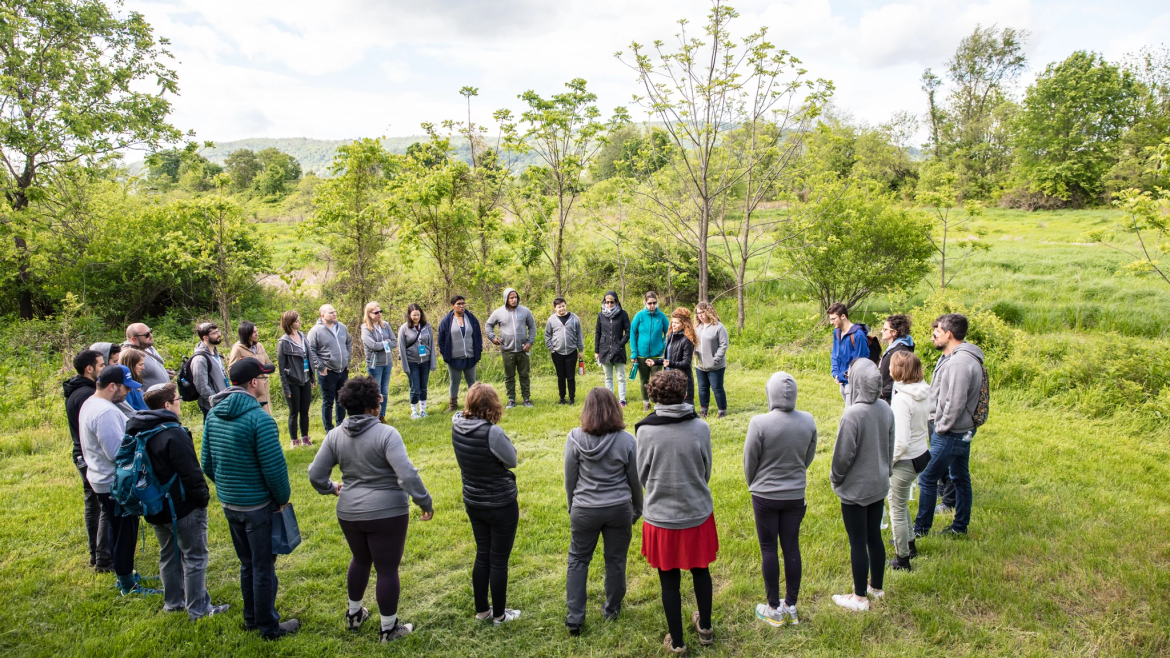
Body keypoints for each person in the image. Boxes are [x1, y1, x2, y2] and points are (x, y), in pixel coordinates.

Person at [309, 377, 434, 643]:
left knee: (361, 559)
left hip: (349, 513)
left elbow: (315, 475)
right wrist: (425, 502)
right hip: (387, 513)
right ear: (371, 406)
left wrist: (332, 488)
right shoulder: (387, 434)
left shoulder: (334, 436)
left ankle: (354, 615)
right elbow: (407, 476)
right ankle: (389, 630)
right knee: (387, 569)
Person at [200, 357, 300, 640]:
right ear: (253, 382)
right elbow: (275, 470)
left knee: (248, 564)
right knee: (264, 567)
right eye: (264, 378)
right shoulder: (260, 419)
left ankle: (251, 618)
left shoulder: (213, 414)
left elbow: (207, 462)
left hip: (230, 504)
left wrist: (228, 488)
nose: (265, 382)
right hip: (257, 506)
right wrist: (282, 499)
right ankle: (268, 627)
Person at [636, 369, 717, 653]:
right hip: (696, 511)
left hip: (661, 516)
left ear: (653, 395)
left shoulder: (645, 431)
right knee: (701, 571)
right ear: (684, 394)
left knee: (668, 580)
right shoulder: (700, 427)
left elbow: (642, 475)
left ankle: (678, 643)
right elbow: (705, 470)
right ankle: (705, 627)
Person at [136, 383, 229, 620]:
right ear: (167, 405)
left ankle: (173, 603)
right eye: (177, 399)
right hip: (183, 507)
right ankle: (199, 609)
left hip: (155, 506)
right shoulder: (174, 433)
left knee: (168, 555)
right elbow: (191, 472)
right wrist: (202, 499)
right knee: (195, 557)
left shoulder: (139, 430)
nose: (180, 403)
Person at [563, 387, 642, 635]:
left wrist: (571, 505)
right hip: (618, 508)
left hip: (584, 509)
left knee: (578, 560)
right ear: (614, 409)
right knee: (615, 560)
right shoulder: (628, 440)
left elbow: (570, 479)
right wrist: (637, 509)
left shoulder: (574, 437)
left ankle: (575, 618)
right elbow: (635, 481)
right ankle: (612, 610)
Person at [743, 372, 816, 627]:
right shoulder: (808, 421)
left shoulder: (759, 423)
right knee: (791, 547)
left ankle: (773, 608)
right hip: (795, 494)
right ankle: (791, 606)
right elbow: (808, 457)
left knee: (768, 549)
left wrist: (755, 483)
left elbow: (749, 461)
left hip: (764, 495)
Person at [451, 383, 521, 625]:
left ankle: (482, 611)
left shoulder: (456, 426)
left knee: (483, 554)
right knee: (498, 560)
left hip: (473, 500)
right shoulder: (492, 432)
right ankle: (500, 615)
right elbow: (512, 460)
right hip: (500, 503)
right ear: (492, 405)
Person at [79, 365, 153, 595]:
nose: (127, 393)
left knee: (117, 527)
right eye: (125, 388)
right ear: (112, 386)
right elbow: (116, 452)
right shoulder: (106, 412)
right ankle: (127, 584)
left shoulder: (92, 403)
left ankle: (126, 573)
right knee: (124, 532)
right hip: (114, 482)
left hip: (103, 479)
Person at [829, 359, 894, 612]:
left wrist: (836, 478)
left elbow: (842, 456)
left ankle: (859, 599)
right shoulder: (885, 408)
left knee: (857, 540)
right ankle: (876, 588)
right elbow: (890, 444)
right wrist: (885, 472)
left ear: (855, 381)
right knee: (874, 536)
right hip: (878, 484)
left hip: (855, 489)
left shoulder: (852, 414)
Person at [913, 313, 984, 538]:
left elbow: (955, 402)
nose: (934, 335)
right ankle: (959, 527)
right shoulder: (955, 357)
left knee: (927, 477)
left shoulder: (960, 362)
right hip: (960, 431)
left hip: (952, 432)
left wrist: (942, 427)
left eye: (938, 332)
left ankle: (920, 530)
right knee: (960, 477)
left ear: (949, 334)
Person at [64, 349, 112, 572]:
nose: (103, 369)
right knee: (102, 507)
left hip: (81, 453)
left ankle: (96, 553)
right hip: (87, 454)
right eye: (101, 365)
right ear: (89, 369)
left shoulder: (78, 390)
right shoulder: (85, 395)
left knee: (93, 504)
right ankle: (103, 556)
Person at [887, 352, 930, 571]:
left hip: (905, 458)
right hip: (921, 453)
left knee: (895, 508)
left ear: (898, 371)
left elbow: (901, 442)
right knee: (901, 503)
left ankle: (902, 559)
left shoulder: (903, 399)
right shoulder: (923, 389)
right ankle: (910, 543)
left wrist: (888, 463)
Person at [486, 287, 537, 409]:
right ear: (506, 299)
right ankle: (511, 399)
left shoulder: (525, 311)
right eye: (511, 298)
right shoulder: (499, 312)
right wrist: (493, 338)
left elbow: (532, 327)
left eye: (515, 297)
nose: (514, 300)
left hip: (523, 349)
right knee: (509, 376)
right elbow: (488, 325)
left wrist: (529, 342)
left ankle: (526, 399)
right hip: (507, 350)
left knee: (524, 375)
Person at [308, 304, 353, 433]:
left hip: (342, 370)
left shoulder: (342, 327)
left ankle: (341, 427)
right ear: (322, 316)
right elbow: (310, 350)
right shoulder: (315, 331)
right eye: (330, 312)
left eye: (335, 311)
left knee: (342, 399)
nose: (334, 314)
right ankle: (329, 429)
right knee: (328, 402)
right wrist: (320, 366)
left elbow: (348, 343)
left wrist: (347, 360)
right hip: (328, 372)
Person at [276, 311, 317, 448]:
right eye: (297, 320)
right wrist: (286, 388)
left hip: (305, 379)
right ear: (289, 323)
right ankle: (294, 441)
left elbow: (309, 358)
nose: (300, 322)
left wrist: (312, 377)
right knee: (294, 412)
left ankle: (305, 438)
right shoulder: (284, 342)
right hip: (292, 381)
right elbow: (282, 368)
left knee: (305, 410)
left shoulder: (302, 336)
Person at [437, 295, 483, 412]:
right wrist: (445, 353)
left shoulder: (471, 318)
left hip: (470, 356)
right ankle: (453, 405)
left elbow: (478, 335)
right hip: (454, 357)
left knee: (472, 382)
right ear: (453, 306)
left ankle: (473, 405)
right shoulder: (447, 321)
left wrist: (478, 350)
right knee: (454, 381)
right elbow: (441, 339)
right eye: (458, 304)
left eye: (463, 303)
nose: (462, 306)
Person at [630, 291, 669, 411]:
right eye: (649, 303)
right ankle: (646, 403)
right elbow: (632, 333)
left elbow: (668, 333)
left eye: (654, 303)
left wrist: (663, 345)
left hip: (657, 355)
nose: (652, 305)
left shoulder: (661, 316)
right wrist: (634, 352)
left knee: (657, 381)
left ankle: (657, 402)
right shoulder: (639, 316)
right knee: (644, 380)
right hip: (642, 355)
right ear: (645, 303)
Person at [360, 301, 398, 422]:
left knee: (385, 391)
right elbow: (372, 345)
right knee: (376, 391)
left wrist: (383, 343)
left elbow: (394, 342)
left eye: (380, 311)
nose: (379, 314)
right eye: (376, 312)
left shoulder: (385, 325)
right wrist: (386, 342)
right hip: (375, 364)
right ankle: (374, 416)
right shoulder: (365, 328)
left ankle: (382, 415)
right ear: (369, 314)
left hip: (387, 362)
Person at [398, 304, 437, 419]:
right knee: (415, 387)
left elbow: (431, 345)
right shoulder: (404, 328)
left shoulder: (427, 327)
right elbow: (401, 348)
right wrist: (405, 366)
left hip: (425, 361)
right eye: (414, 315)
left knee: (423, 387)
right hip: (412, 362)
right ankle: (414, 411)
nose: (416, 317)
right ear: (409, 315)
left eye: (418, 314)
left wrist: (432, 363)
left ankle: (423, 410)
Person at [228, 321, 274, 417]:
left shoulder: (259, 346)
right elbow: (232, 371)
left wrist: (265, 371)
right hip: (250, 388)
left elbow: (267, 363)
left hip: (263, 386)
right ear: (246, 333)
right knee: (256, 415)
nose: (256, 334)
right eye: (253, 332)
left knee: (267, 413)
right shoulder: (238, 349)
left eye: (257, 331)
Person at [545, 297, 585, 405]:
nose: (561, 308)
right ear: (555, 308)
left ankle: (572, 398)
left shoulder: (574, 318)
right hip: (557, 353)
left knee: (571, 376)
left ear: (565, 306)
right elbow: (547, 335)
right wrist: (551, 348)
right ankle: (562, 398)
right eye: (559, 307)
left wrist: (580, 349)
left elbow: (579, 335)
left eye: (563, 306)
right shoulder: (551, 320)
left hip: (571, 352)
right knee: (561, 377)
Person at [827, 303, 870, 402]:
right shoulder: (836, 332)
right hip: (841, 381)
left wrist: (843, 376)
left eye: (833, 319)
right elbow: (835, 354)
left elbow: (859, 363)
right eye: (830, 319)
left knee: (851, 414)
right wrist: (836, 373)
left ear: (843, 316)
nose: (831, 322)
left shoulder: (858, 335)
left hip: (854, 383)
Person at [594, 291, 630, 407]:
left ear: (616, 302)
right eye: (607, 302)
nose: (609, 304)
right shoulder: (601, 315)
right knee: (608, 377)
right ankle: (610, 400)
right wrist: (596, 351)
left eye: (612, 302)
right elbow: (598, 333)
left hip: (618, 349)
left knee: (621, 377)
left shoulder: (623, 314)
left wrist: (621, 343)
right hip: (604, 350)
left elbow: (628, 331)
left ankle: (622, 400)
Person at [694, 302, 729, 419]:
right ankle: (704, 410)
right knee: (702, 387)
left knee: (717, 388)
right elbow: (694, 342)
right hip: (700, 364)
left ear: (708, 312)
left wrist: (716, 359)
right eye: (698, 313)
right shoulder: (697, 327)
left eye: (702, 312)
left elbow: (724, 345)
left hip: (715, 365)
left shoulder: (718, 327)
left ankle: (722, 410)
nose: (700, 315)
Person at [190, 323, 228, 420]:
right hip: (212, 406)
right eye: (214, 333)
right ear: (205, 337)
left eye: (218, 331)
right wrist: (215, 401)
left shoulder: (215, 353)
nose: (219, 334)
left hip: (223, 401)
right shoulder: (200, 359)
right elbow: (201, 386)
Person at [877, 314, 914, 405]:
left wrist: (883, 392)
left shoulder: (901, 351)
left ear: (894, 332)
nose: (882, 331)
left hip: (892, 399)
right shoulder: (893, 348)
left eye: (885, 329)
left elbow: (902, 378)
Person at [123, 322, 173, 388]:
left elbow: (149, 372)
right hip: (149, 396)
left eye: (150, 332)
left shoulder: (147, 346)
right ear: (134, 339)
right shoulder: (129, 354)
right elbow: (129, 379)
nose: (151, 335)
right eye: (146, 335)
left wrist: (166, 374)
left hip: (164, 394)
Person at [664, 308, 697, 406]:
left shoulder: (686, 340)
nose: (673, 325)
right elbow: (669, 358)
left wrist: (671, 363)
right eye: (672, 322)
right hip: (670, 376)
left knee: (687, 408)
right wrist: (655, 362)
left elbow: (686, 362)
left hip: (683, 378)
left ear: (684, 324)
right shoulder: (670, 336)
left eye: (677, 323)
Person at [119, 347, 149, 411]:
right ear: (131, 365)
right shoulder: (127, 387)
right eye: (140, 364)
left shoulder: (135, 383)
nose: (143, 368)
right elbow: (129, 411)